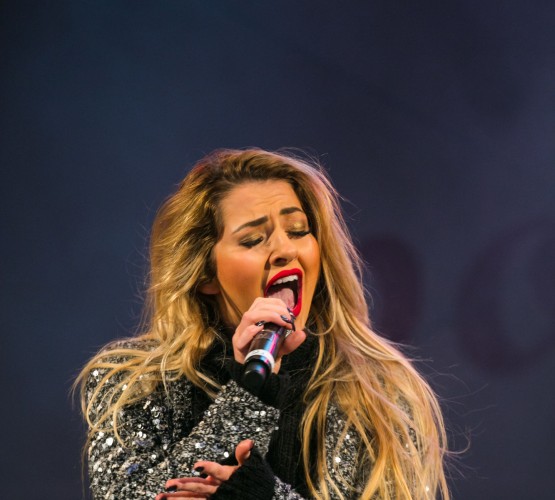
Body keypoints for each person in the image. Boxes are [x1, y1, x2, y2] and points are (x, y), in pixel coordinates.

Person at [76, 149, 449, 499]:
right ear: (205, 274)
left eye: (298, 230)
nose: (285, 250)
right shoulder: (135, 384)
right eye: (253, 239)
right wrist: (248, 394)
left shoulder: (378, 392)